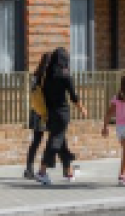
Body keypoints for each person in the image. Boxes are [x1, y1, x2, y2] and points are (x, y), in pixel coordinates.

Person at [34, 47, 87, 186]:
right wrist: (82, 109)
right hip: (62, 112)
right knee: (55, 141)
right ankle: (42, 171)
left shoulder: (47, 75)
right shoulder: (65, 75)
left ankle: (68, 172)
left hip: (49, 112)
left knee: (61, 140)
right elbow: (74, 96)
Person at [101, 74, 125, 187]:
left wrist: (105, 126)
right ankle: (122, 175)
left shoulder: (116, 98)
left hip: (120, 128)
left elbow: (109, 113)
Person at [23, 52, 51, 179]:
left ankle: (29, 168)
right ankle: (46, 167)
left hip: (36, 110)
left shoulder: (35, 76)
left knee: (36, 141)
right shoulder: (48, 77)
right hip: (45, 111)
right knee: (55, 140)